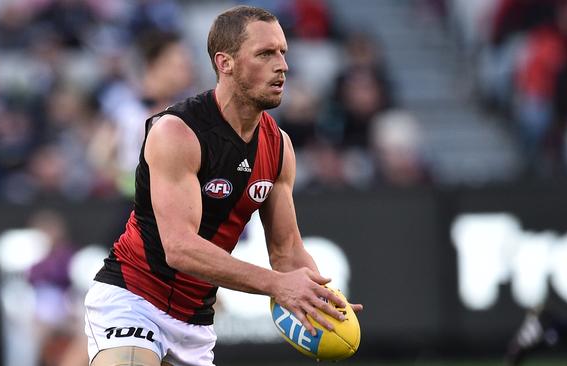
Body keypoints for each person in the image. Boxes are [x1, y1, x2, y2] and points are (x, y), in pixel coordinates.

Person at [84, 5, 362, 366]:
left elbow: (287, 252)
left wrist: (317, 296)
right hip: (134, 300)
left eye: (283, 52)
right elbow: (180, 248)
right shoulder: (177, 132)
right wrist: (277, 285)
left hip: (196, 323)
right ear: (225, 62)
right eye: (265, 54)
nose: (282, 66)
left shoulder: (279, 147)